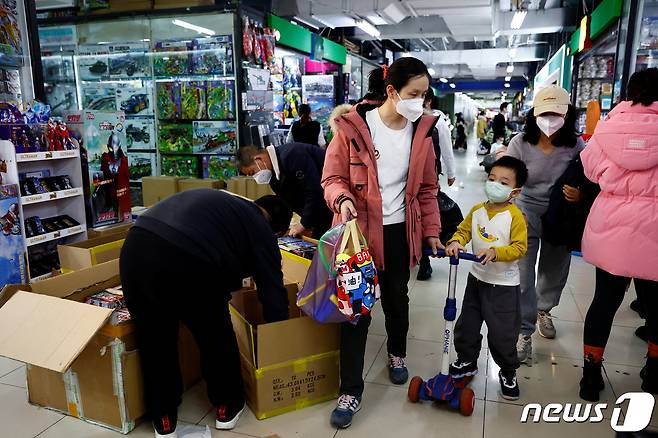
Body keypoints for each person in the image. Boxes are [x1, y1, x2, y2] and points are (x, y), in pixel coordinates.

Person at [322, 57, 442, 429]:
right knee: (356, 311)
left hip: (399, 231)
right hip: (357, 233)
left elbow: (426, 188)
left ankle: (397, 354)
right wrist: (342, 201)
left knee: (396, 299)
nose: (420, 103)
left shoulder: (422, 133)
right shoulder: (354, 129)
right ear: (391, 91)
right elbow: (332, 178)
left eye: (424, 95)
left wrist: (432, 232)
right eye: (413, 94)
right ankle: (351, 391)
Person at [120, 190, 292, 438]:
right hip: (188, 257)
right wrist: (279, 341)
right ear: (278, 230)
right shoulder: (261, 228)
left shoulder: (229, 205)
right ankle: (227, 406)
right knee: (214, 334)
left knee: (154, 339)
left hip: (135, 250)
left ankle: (164, 418)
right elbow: (272, 290)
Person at [578, 68, 658, 401]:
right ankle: (654, 375)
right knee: (656, 307)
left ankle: (590, 377)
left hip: (611, 224)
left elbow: (591, 169)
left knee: (603, 303)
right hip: (654, 228)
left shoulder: (608, 127)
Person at [506, 85, 585, 364]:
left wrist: (580, 194)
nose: (550, 119)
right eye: (545, 113)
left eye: (556, 113)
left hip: (559, 216)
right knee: (524, 276)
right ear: (534, 115)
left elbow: (588, 176)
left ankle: (544, 309)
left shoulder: (576, 145)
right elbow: (507, 177)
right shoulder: (520, 142)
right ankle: (523, 331)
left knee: (554, 269)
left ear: (567, 115)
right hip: (525, 212)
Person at [447, 156, 528, 400]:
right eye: (492, 179)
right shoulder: (477, 211)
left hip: (503, 286)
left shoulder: (515, 217)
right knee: (467, 326)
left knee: (502, 333)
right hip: (476, 280)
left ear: (515, 191)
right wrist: (455, 241)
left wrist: (495, 252)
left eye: (503, 182)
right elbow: (463, 230)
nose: (495, 184)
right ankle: (467, 360)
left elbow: (519, 248)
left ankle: (507, 370)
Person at [238, 143, 333, 239]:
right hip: (319, 216)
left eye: (252, 172)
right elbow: (290, 201)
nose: (256, 177)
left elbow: (314, 191)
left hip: (333, 208)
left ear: (258, 159)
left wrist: (304, 223)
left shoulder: (293, 155)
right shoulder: (274, 177)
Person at [416, 88, 457, 281]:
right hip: (411, 176)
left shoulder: (438, 121)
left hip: (430, 175)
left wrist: (451, 172)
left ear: (429, 100)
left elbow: (447, 148)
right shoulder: (408, 118)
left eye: (421, 96)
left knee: (425, 215)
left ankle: (425, 262)